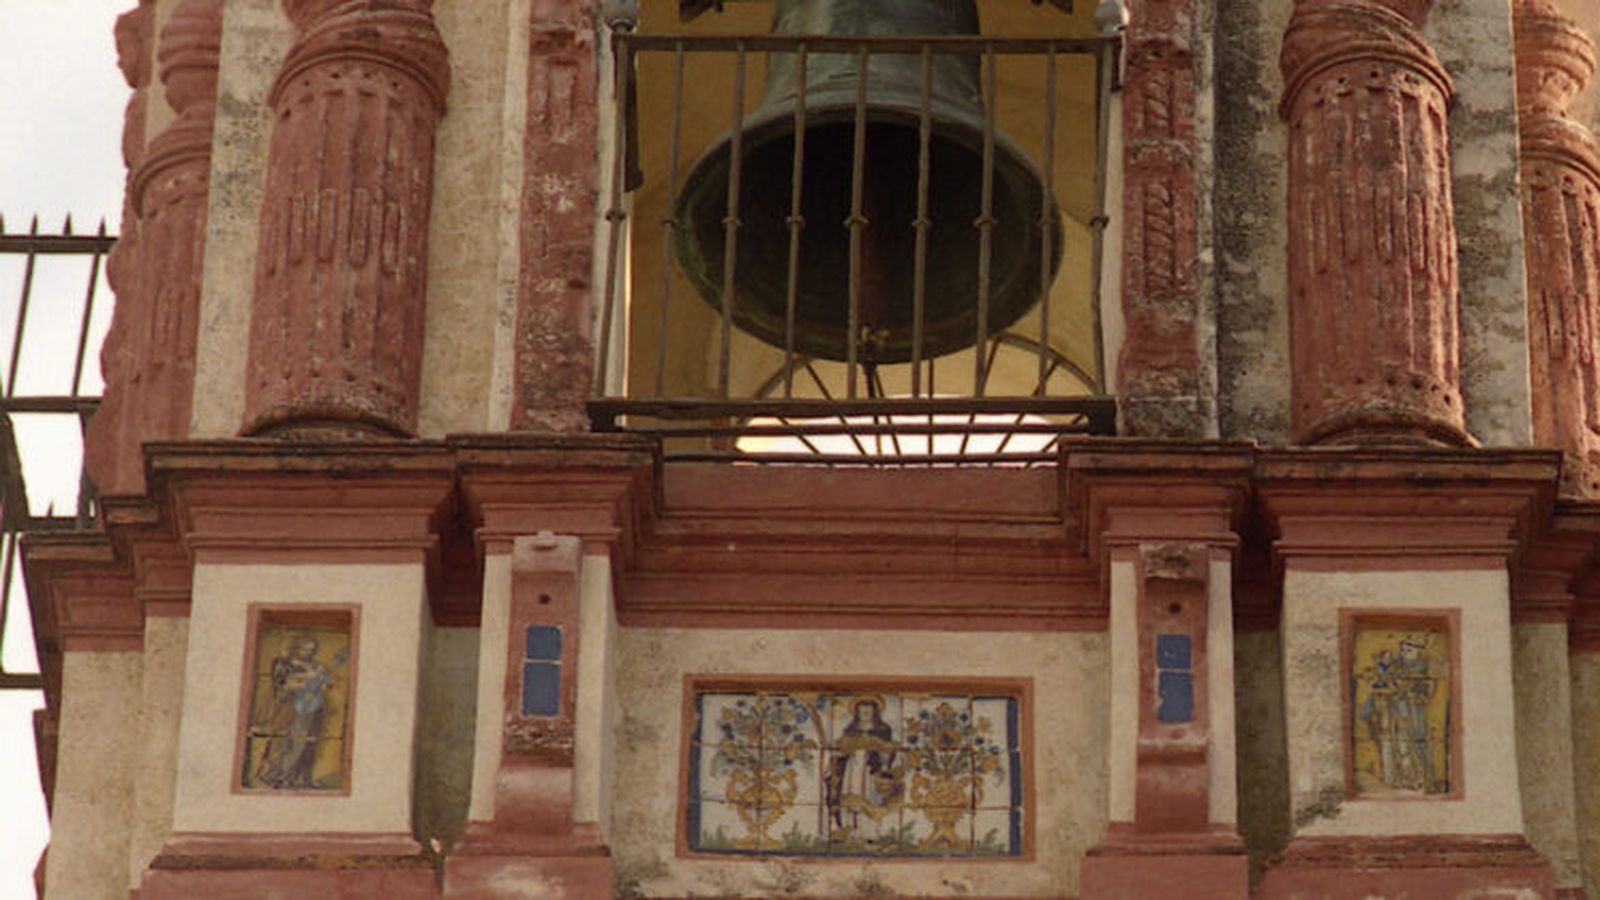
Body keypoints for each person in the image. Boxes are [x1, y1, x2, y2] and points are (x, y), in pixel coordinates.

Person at [253, 635, 333, 789]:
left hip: (313, 708)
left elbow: (325, 685)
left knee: (310, 744)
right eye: (304, 649)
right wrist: (307, 679)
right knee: (293, 745)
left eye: (311, 650)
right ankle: (277, 777)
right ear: (296, 648)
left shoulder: (315, 666)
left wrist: (321, 681)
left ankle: (301, 779)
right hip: (292, 709)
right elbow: (284, 687)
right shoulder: (286, 665)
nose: (308, 653)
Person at [827, 697, 901, 842]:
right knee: (850, 794)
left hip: (871, 769)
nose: (866, 711)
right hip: (852, 767)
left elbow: (890, 753)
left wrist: (881, 751)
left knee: (869, 797)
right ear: (857, 711)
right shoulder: (850, 730)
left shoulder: (883, 729)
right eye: (862, 707)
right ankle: (849, 830)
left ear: (875, 711)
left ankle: (869, 833)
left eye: (869, 707)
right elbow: (841, 751)